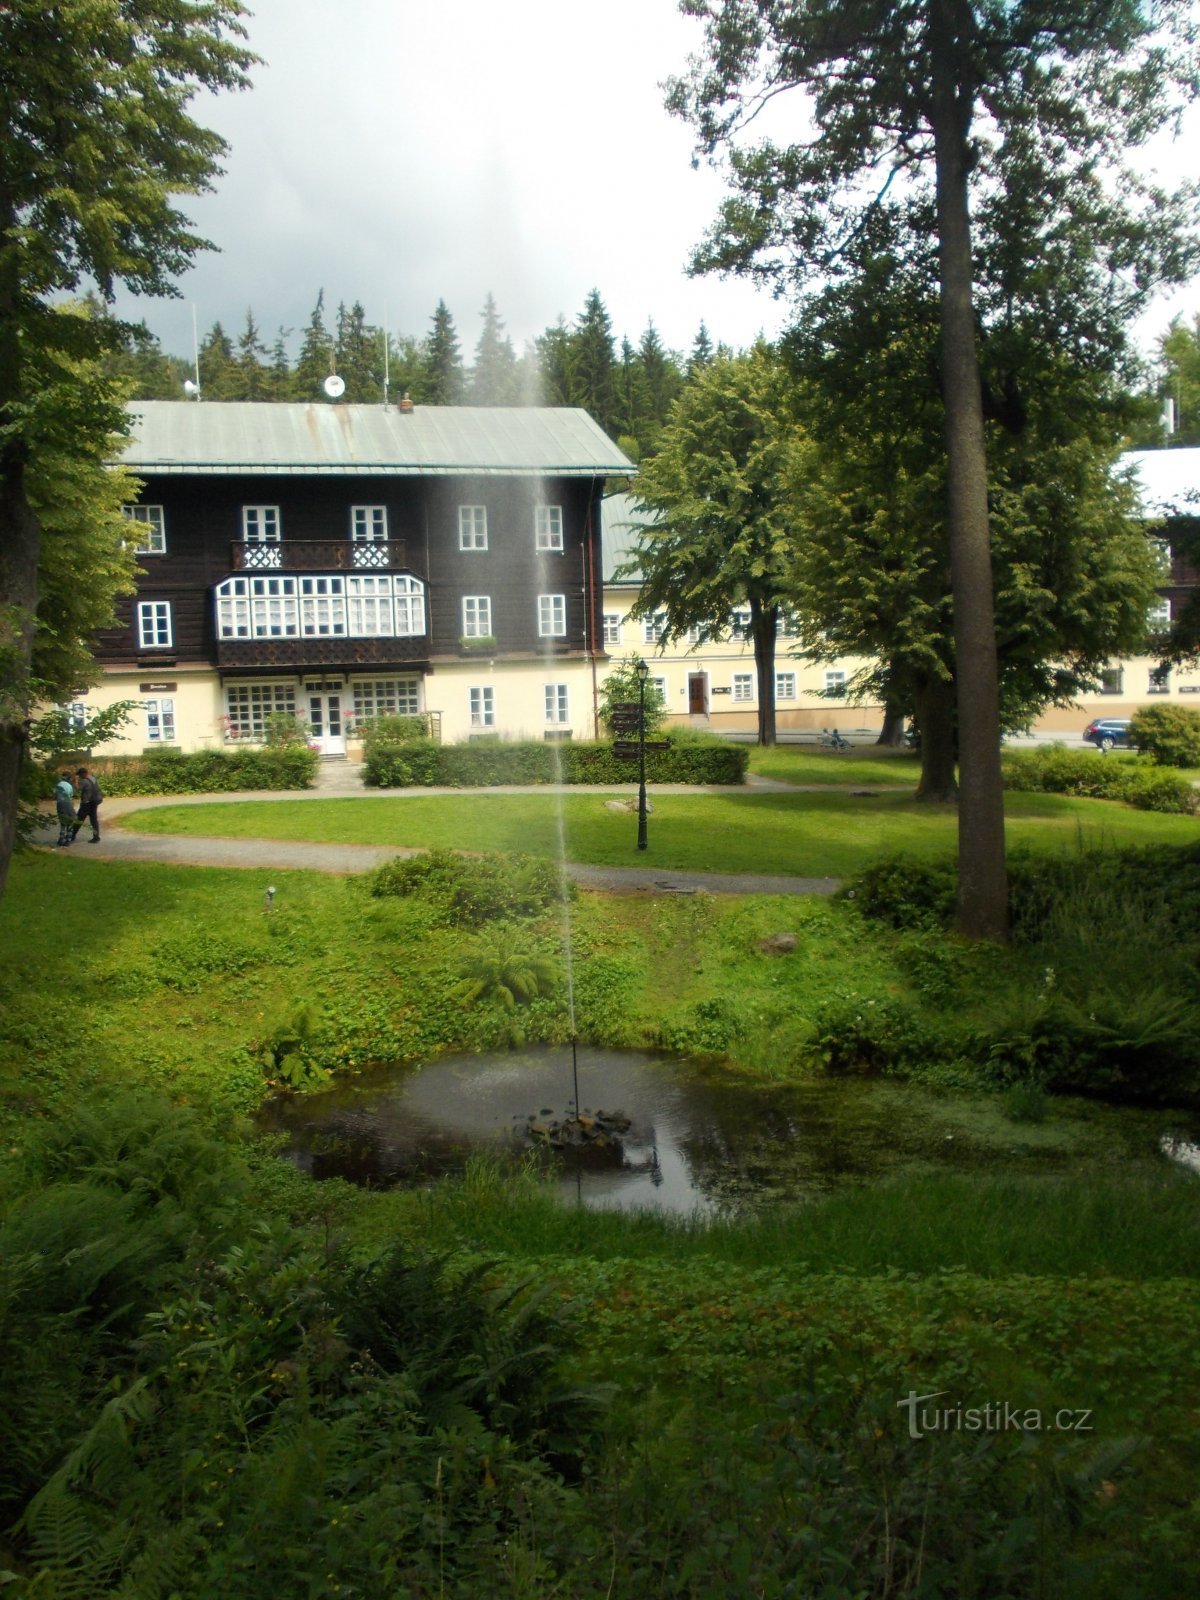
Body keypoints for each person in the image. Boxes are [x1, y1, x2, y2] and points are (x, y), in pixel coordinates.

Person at [72, 766, 103, 842]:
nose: (79, 776)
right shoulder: (93, 778)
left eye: (79, 775)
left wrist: (74, 782)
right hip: (95, 801)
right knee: (94, 820)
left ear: (83, 774)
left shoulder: (83, 781)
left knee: (79, 819)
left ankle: (71, 835)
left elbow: (77, 789)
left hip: (86, 803)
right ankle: (96, 837)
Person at [54, 769, 77, 845]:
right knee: (70, 821)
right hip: (68, 803)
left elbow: (54, 795)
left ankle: (61, 838)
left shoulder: (58, 785)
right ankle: (68, 839)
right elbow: (71, 796)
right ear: (68, 778)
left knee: (63, 822)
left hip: (60, 804)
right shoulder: (69, 786)